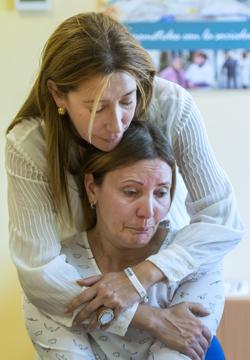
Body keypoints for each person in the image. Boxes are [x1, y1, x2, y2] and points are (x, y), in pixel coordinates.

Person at [6, 11, 243, 359]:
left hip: (168, 280)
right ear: (58, 95)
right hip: (84, 292)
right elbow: (39, 270)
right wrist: (148, 318)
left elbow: (222, 217)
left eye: (126, 101)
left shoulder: (171, 104)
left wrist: (141, 278)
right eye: (96, 107)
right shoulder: (29, 144)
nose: (115, 124)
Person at [23, 121, 223, 360]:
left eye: (161, 193)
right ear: (91, 189)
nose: (148, 212)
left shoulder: (197, 258)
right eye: (131, 192)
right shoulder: (55, 275)